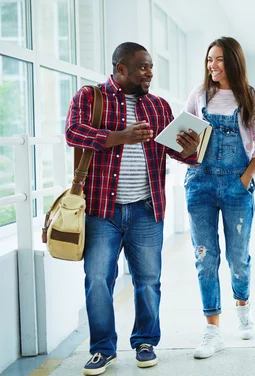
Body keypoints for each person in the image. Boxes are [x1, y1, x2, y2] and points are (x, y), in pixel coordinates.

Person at [65, 42, 200, 375]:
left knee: (148, 280)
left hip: (145, 209)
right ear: (120, 68)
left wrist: (191, 149)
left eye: (151, 67)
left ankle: (144, 342)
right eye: (142, 67)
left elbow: (177, 153)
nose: (149, 73)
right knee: (98, 279)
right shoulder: (89, 97)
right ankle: (102, 350)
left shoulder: (158, 106)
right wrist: (119, 136)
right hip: (101, 211)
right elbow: (73, 132)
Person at [182, 37, 255, 359]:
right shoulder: (199, 95)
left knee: (237, 259)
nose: (212, 66)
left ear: (233, 61)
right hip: (200, 184)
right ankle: (212, 330)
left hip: (236, 187)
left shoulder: (250, 98)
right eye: (209, 60)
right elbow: (185, 135)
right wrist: (185, 148)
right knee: (205, 257)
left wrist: (245, 178)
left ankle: (243, 306)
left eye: (218, 60)